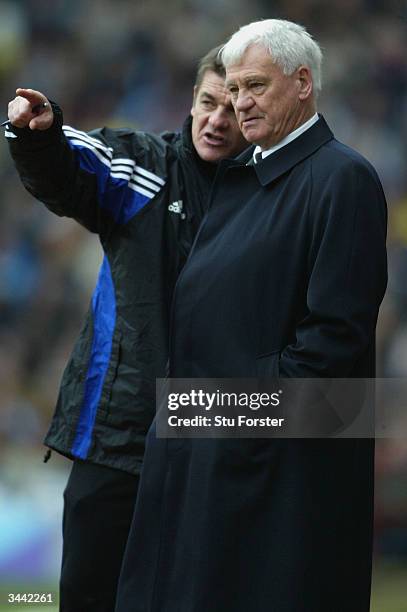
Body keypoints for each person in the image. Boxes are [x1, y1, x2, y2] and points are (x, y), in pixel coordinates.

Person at [115, 20, 387, 612]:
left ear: (303, 82)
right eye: (233, 89)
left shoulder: (344, 178)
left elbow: (332, 346)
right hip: (206, 449)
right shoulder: (238, 178)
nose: (240, 103)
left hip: (267, 471)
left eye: (255, 86)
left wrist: (226, 426)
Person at [5, 46, 247, 612]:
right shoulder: (143, 166)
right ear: (190, 101)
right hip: (117, 439)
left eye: (232, 109)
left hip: (216, 437)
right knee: (90, 597)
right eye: (208, 102)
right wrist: (40, 135)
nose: (216, 119)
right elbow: (71, 164)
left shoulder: (273, 195)